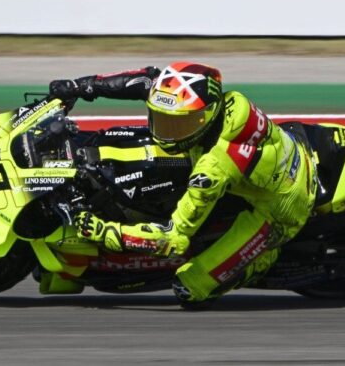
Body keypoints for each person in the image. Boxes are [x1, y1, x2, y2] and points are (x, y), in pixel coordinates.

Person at [49, 62, 317, 308]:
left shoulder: (213, 169)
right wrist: (83, 86)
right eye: (162, 120)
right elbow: (144, 80)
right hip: (287, 148)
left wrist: (104, 231)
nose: (166, 132)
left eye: (179, 125)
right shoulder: (218, 101)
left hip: (283, 209)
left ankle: (263, 260)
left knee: (189, 289)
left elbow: (173, 238)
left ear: (206, 116)